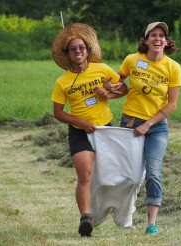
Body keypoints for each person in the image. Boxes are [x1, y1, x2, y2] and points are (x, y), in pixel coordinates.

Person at [50, 23, 127, 237]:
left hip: (105, 130)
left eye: (81, 47)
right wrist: (81, 123)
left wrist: (108, 94)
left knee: (109, 174)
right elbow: (58, 112)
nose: (78, 52)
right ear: (67, 53)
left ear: (88, 50)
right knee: (84, 175)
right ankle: (85, 218)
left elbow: (124, 89)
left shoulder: (101, 69)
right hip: (79, 132)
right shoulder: (62, 81)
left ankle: (110, 208)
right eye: (73, 49)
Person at [112, 22, 181, 234]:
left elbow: (172, 104)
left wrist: (148, 125)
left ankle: (151, 223)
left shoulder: (173, 67)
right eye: (153, 35)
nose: (158, 39)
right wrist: (107, 88)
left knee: (153, 172)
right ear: (145, 40)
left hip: (156, 127)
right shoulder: (132, 60)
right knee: (131, 175)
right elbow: (119, 84)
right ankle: (125, 212)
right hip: (130, 124)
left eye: (162, 35)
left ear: (166, 41)